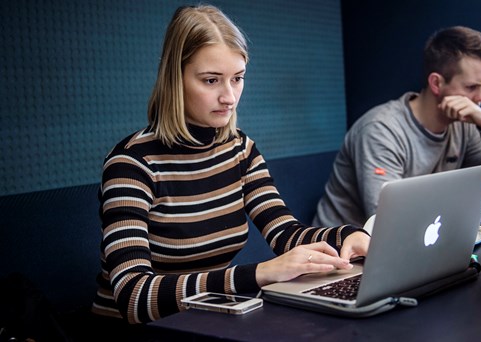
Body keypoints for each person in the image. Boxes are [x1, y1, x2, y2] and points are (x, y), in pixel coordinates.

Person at [90, 4, 370, 329]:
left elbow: (284, 232)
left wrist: (349, 235)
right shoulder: (132, 163)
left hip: (206, 321)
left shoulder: (240, 149)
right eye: (211, 80)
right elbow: (135, 296)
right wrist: (260, 273)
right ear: (174, 79)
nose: (229, 97)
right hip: (136, 332)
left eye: (237, 79)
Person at [313, 26, 481, 228]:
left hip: (416, 244)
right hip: (341, 257)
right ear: (436, 83)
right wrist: (480, 199)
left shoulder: (464, 124)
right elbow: (388, 218)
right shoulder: (381, 129)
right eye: (472, 87)